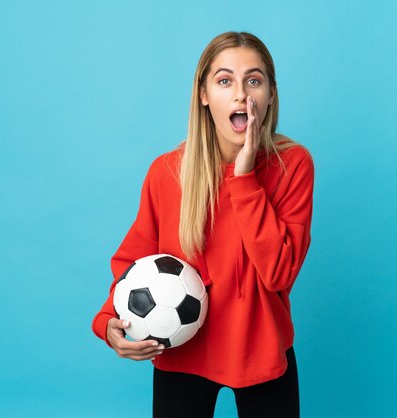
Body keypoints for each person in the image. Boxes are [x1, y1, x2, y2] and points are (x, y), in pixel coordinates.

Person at [91, 31, 314, 418]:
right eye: (225, 80)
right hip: (183, 349)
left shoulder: (292, 166)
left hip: (260, 350)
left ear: (270, 95)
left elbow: (279, 272)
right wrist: (108, 320)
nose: (241, 94)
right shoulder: (167, 173)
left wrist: (243, 179)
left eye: (254, 80)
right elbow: (134, 260)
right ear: (204, 94)